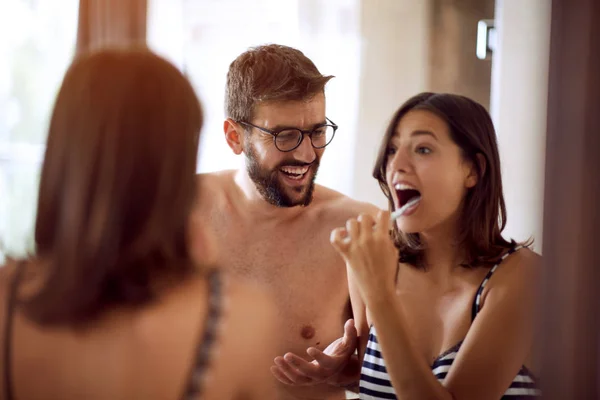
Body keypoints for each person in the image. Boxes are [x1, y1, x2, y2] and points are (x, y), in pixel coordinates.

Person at [0, 48, 276, 400]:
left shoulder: (7, 301)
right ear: (175, 168)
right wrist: (211, 278)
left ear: (63, 152)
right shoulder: (240, 320)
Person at [271, 92, 541, 399]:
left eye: (423, 149)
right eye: (392, 150)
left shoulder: (524, 276)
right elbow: (405, 383)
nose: (396, 165)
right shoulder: (372, 266)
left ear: (473, 170)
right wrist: (351, 376)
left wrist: (381, 295)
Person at [192, 44, 377, 399]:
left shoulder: (359, 229)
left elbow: (403, 379)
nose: (307, 154)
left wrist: (351, 375)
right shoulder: (181, 211)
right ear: (235, 137)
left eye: (318, 132)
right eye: (285, 135)